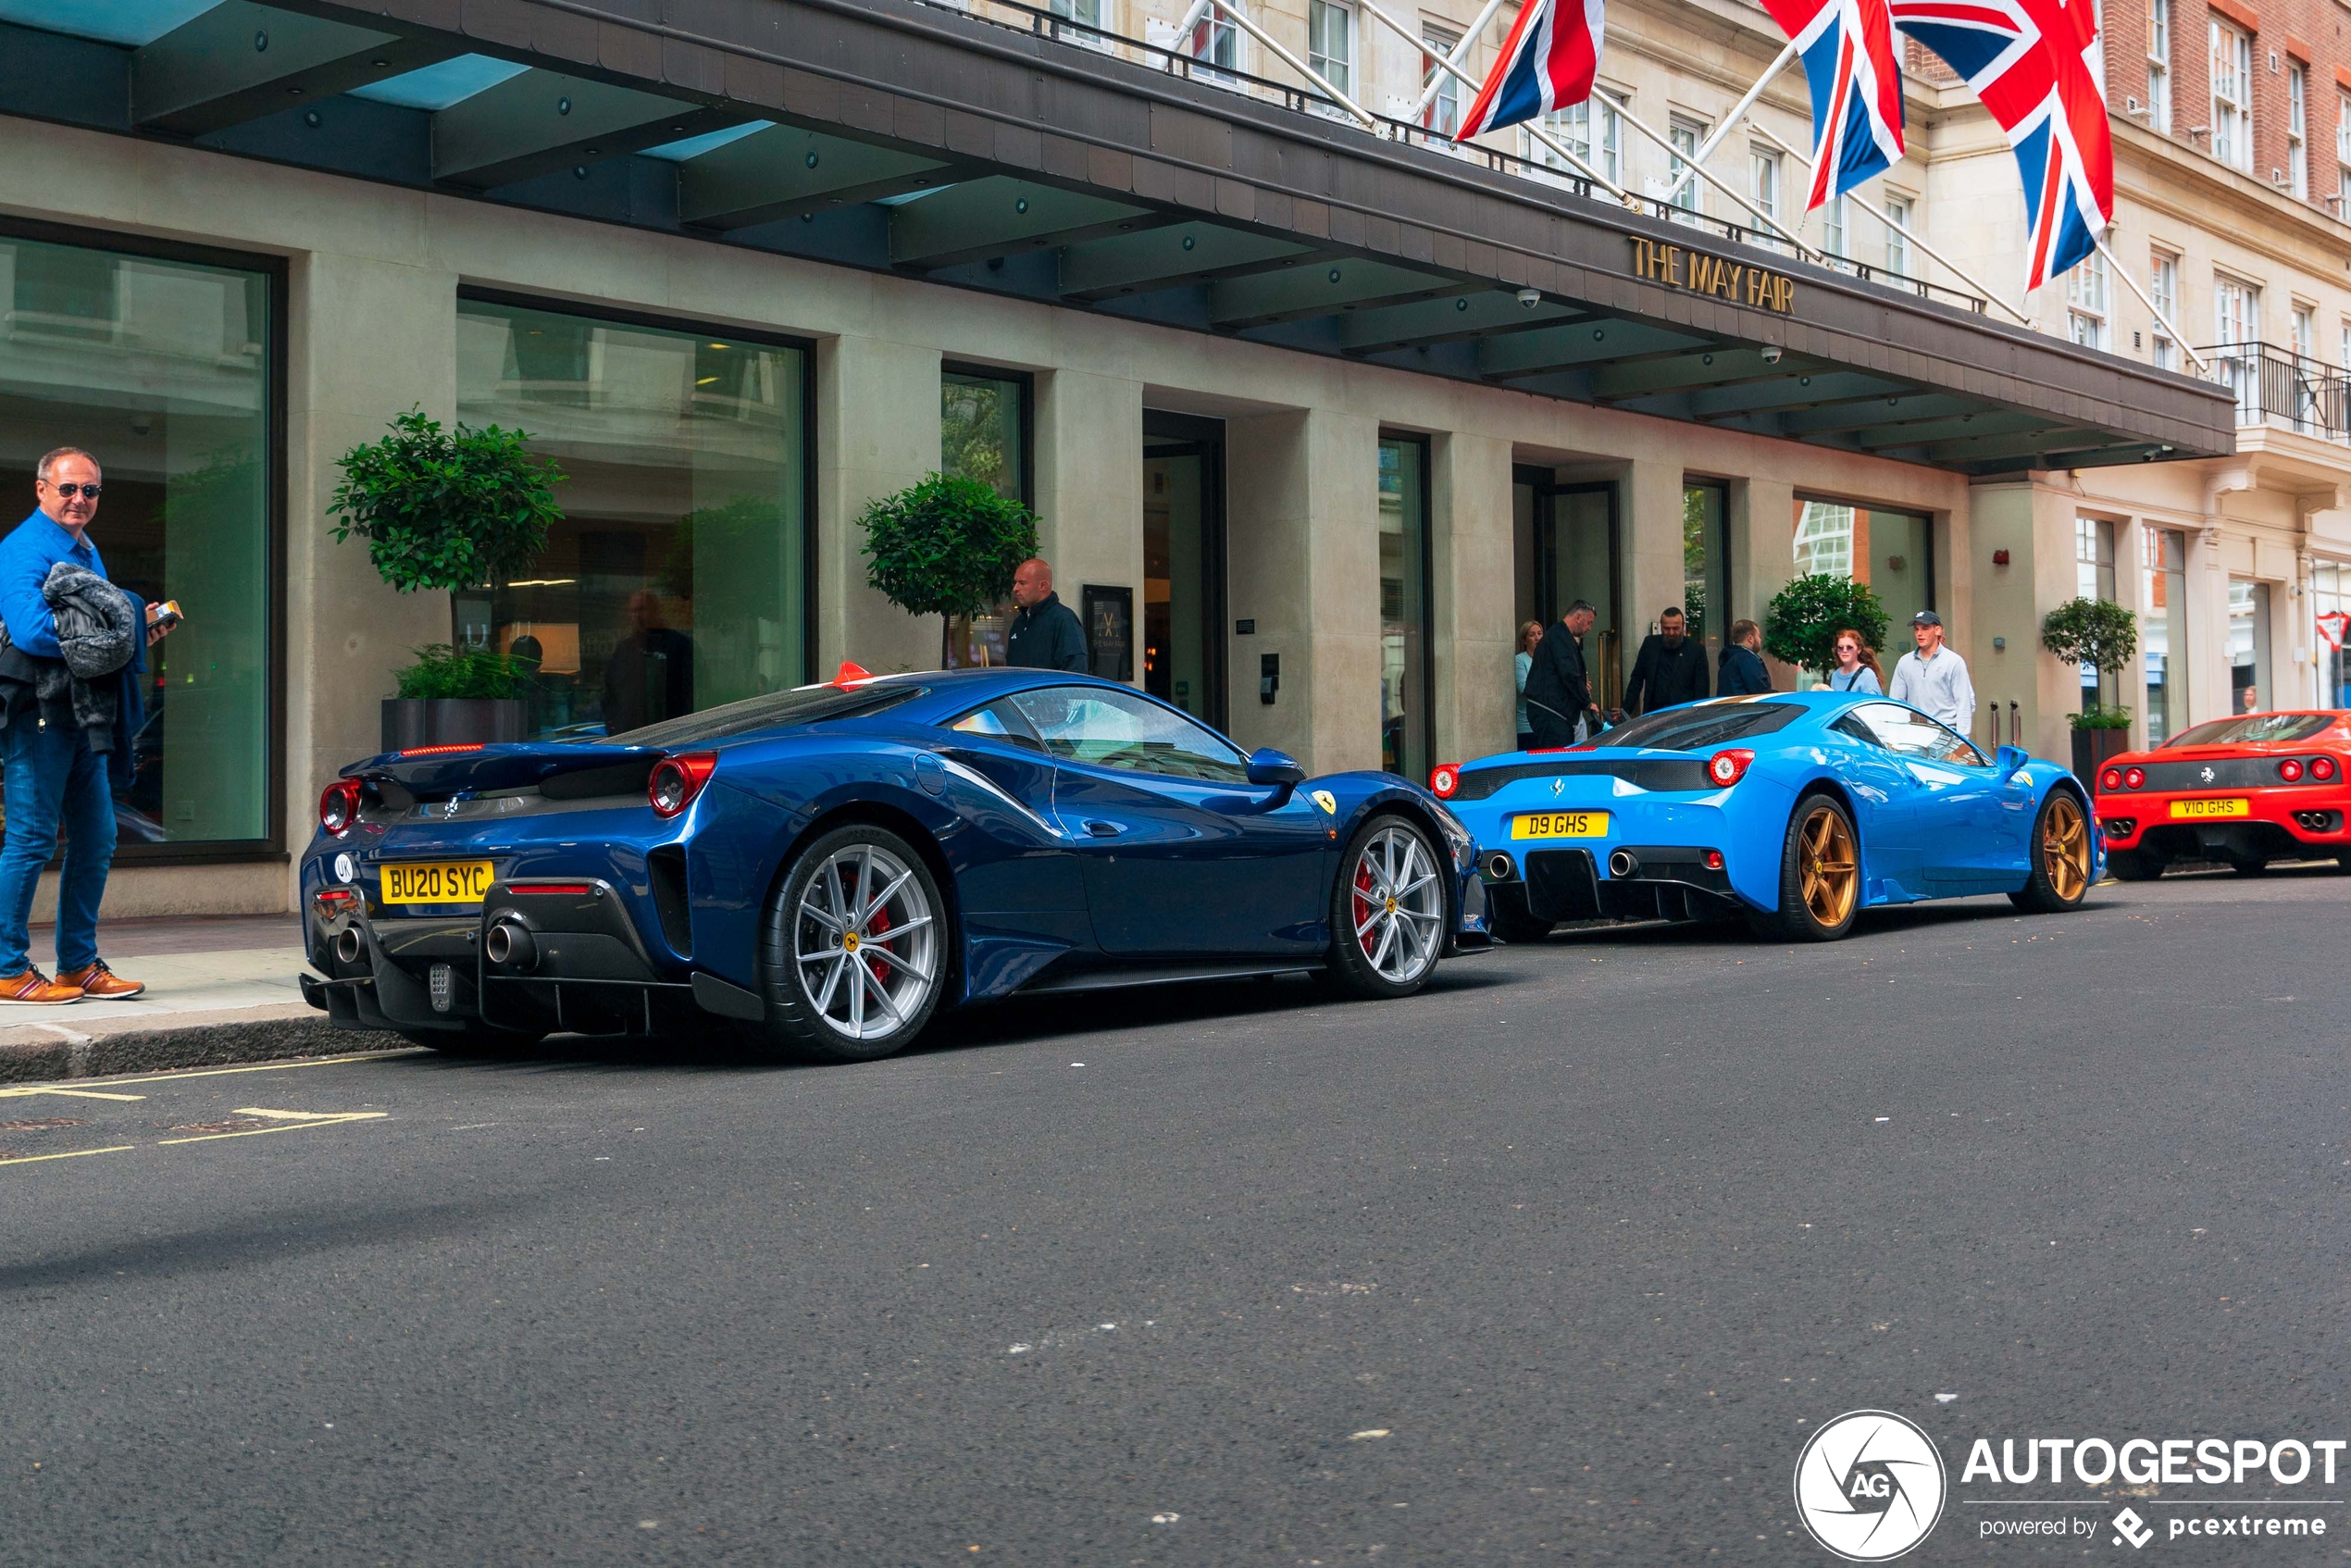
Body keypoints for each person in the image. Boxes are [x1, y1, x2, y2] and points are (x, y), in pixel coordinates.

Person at [0, 448, 171, 1004]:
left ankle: (76, 964)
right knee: (29, 840)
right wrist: (114, 639)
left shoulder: (84, 549)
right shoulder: (24, 547)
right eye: (69, 489)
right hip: (38, 713)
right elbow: (30, 631)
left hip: (82, 712)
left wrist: (132, 632)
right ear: (41, 489)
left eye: (90, 491)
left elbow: (94, 630)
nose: (80, 500)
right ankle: (6, 968)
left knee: (97, 837)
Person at [602, 589, 693, 734]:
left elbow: (690, 692)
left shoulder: (680, 645)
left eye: (642, 610)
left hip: (670, 733)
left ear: (656, 610)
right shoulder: (624, 649)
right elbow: (610, 693)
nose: (637, 616)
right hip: (628, 735)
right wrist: (615, 725)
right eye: (633, 611)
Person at [1523, 600, 1603, 747]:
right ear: (1578, 617)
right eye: (1589, 622)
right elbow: (1569, 674)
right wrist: (1587, 702)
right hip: (1550, 713)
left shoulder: (1561, 636)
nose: (1590, 628)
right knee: (1557, 760)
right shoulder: (1560, 637)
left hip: (1556, 713)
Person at [1885, 609, 1976, 732]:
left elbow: (1963, 703)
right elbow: (1896, 702)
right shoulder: (1904, 662)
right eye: (1916, 629)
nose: (1919, 633)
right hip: (1914, 732)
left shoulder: (1954, 661)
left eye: (1925, 628)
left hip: (1946, 731)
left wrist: (1962, 741)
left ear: (1938, 630)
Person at [1622, 605, 1710, 716]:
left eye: (1676, 628)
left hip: (1683, 715)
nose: (1671, 633)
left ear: (1683, 626)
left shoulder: (1696, 650)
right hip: (1653, 713)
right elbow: (1636, 680)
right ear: (1661, 627)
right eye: (1666, 628)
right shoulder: (1650, 645)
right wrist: (1625, 711)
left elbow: (1702, 689)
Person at [1004, 556, 1087, 672]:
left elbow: (1076, 669)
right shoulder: (1019, 622)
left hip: (1048, 690)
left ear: (1043, 586)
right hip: (1021, 689)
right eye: (1015, 582)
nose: (1015, 588)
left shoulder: (1063, 619)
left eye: (1022, 583)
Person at [1717, 618, 1773, 695]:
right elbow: (1760, 691)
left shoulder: (1728, 658)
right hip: (1747, 706)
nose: (1760, 640)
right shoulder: (1747, 659)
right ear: (1750, 638)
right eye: (1759, 636)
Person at [1826, 628, 1884, 694]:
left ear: (1859, 649)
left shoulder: (1867, 675)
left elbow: (1873, 703)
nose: (1844, 651)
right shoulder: (1835, 675)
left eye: (1849, 647)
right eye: (1840, 648)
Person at [1513, 619, 1542, 750]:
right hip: (1526, 726)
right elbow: (1524, 689)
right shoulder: (1520, 660)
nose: (1537, 638)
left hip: (1545, 725)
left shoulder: (1546, 660)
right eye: (1532, 635)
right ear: (1525, 640)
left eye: (1540, 633)